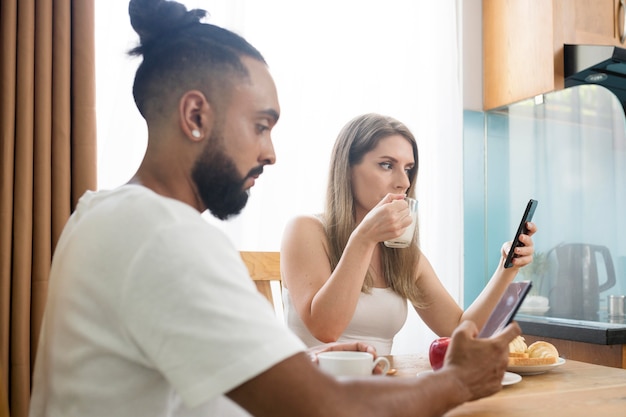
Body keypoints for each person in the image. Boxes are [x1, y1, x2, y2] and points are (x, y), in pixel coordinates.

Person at [28, 1, 522, 417]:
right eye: (261, 125)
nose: (270, 152)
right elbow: (324, 409)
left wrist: (300, 361)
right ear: (195, 115)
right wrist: (458, 384)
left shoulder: (102, 213)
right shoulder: (166, 237)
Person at [281, 113, 537, 355]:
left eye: (408, 168)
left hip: (380, 388)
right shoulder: (306, 230)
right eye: (386, 165)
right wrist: (364, 238)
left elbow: (461, 331)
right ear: (347, 168)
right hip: (315, 390)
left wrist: (507, 268)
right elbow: (326, 329)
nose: (403, 182)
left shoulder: (401, 253)